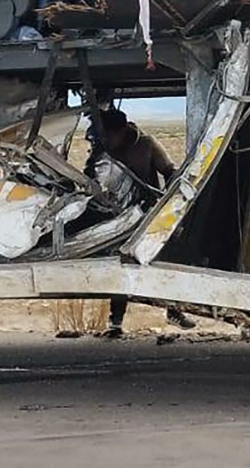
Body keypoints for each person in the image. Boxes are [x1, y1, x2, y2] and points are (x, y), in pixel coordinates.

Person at [89, 108, 194, 336]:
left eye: (111, 134)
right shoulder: (104, 152)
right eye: (104, 135)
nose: (108, 140)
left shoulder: (146, 145)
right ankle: (115, 323)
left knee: (163, 261)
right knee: (120, 267)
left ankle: (173, 310)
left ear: (123, 130)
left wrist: (169, 202)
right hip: (118, 219)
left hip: (147, 215)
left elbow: (170, 170)